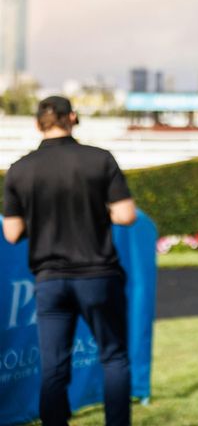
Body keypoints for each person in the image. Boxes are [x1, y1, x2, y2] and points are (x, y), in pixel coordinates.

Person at [2, 96, 136, 426]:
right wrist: (95, 212)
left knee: (54, 369)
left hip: (50, 280)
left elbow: (12, 232)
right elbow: (125, 215)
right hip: (98, 275)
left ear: (38, 123)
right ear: (72, 117)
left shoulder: (20, 169)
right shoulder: (99, 159)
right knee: (114, 358)